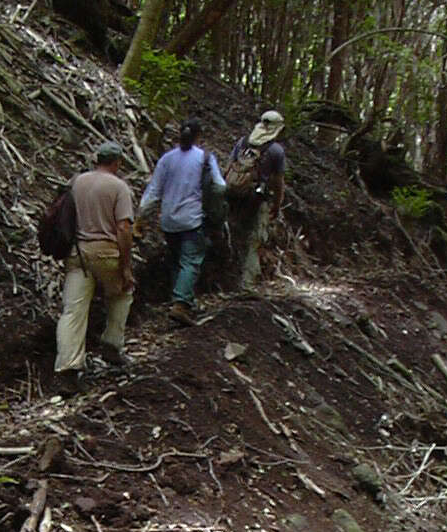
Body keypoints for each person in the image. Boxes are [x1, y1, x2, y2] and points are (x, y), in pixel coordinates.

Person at [54, 140, 135, 395]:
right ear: (117, 163)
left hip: (77, 253)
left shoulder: (78, 182)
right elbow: (123, 228)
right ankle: (112, 344)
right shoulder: (119, 187)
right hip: (106, 252)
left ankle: (68, 368)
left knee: (73, 311)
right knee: (122, 293)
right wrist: (125, 266)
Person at [136, 118, 225, 325]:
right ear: (198, 136)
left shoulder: (167, 159)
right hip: (192, 219)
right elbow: (220, 186)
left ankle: (182, 298)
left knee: (177, 260)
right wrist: (216, 212)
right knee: (191, 261)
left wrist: (140, 218)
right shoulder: (205, 158)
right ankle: (181, 303)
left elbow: (153, 192)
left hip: (168, 220)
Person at [225, 109, 286, 291]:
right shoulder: (276, 151)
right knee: (253, 239)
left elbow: (228, 166)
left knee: (234, 234)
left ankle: (226, 278)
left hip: (233, 195)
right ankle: (246, 285)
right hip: (256, 199)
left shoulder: (242, 142)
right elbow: (278, 181)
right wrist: (277, 204)